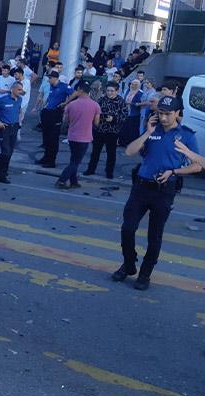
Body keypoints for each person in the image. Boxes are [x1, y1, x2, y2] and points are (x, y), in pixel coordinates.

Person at [113, 96, 201, 290]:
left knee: (155, 236)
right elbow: (129, 151)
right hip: (141, 187)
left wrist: (175, 171)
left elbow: (198, 165)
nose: (163, 118)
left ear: (178, 113)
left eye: (167, 114)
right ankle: (128, 264)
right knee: (128, 228)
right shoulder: (153, 130)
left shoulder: (186, 135)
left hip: (164, 191)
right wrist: (147, 133)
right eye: (160, 113)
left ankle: (145, 274)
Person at [55, 83, 101, 189]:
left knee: (73, 159)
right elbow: (96, 123)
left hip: (72, 136)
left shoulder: (71, 105)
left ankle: (73, 181)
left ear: (80, 90)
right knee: (76, 161)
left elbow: (66, 121)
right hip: (85, 137)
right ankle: (62, 180)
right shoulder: (95, 105)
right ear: (88, 92)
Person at [85, 82, 127, 178]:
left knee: (111, 153)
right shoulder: (101, 100)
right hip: (100, 130)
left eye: (112, 91)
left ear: (117, 91)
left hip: (112, 131)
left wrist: (114, 119)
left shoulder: (121, 101)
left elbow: (124, 116)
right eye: (108, 90)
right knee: (95, 152)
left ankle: (109, 172)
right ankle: (91, 169)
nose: (109, 93)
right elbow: (94, 112)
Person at [0, 82, 24, 184]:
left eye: (21, 89)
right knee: (5, 152)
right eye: (19, 89)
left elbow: (19, 110)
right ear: (13, 89)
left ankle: (2, 175)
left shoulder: (20, 99)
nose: (21, 92)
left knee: (9, 153)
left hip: (14, 128)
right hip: (4, 129)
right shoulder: (4, 100)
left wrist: (19, 120)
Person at [35, 71, 72, 168]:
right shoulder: (51, 86)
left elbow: (74, 93)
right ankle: (46, 157)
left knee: (53, 139)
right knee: (46, 137)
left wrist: (65, 103)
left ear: (55, 78)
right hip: (47, 112)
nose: (48, 80)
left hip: (56, 114)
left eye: (50, 78)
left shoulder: (64, 86)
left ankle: (51, 161)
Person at [120, 79, 144, 146]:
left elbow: (140, 103)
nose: (133, 85)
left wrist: (131, 103)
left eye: (135, 84)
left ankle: (133, 144)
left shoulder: (140, 93)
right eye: (132, 84)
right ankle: (124, 142)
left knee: (133, 130)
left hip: (134, 114)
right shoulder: (128, 90)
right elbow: (124, 99)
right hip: (126, 113)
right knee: (125, 128)